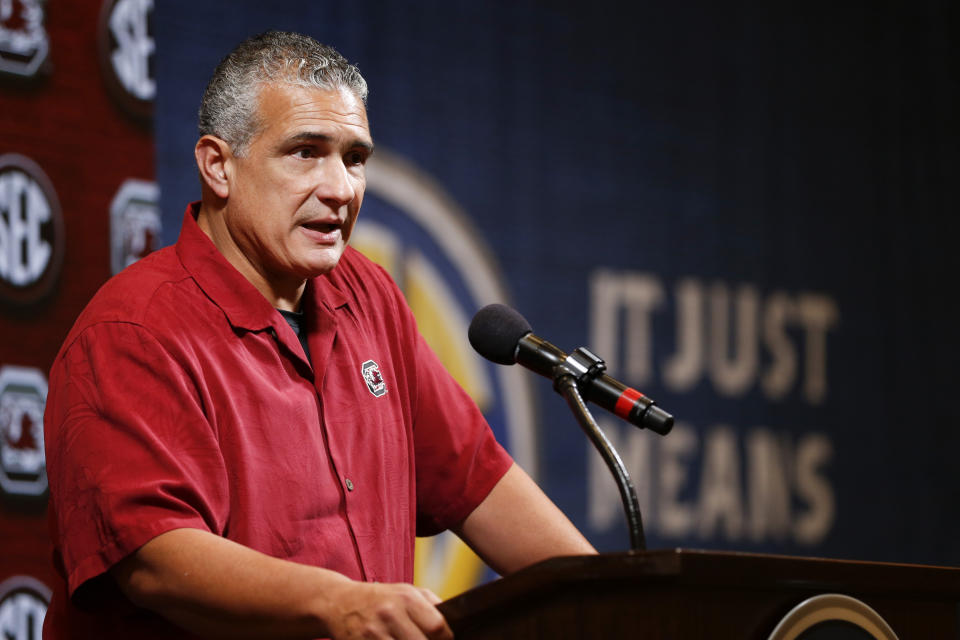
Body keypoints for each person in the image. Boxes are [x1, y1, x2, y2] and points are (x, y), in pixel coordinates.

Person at [43, 31, 595, 639]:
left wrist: (621, 607)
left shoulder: (369, 296)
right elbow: (155, 560)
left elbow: (479, 484)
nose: (341, 189)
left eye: (354, 158)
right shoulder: (134, 330)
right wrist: (340, 604)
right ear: (218, 166)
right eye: (306, 152)